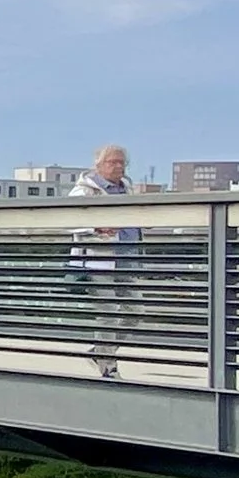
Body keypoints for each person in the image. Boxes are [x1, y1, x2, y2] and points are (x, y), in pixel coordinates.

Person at [69, 145, 140, 379]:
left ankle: (99, 351)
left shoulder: (127, 188)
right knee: (108, 313)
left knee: (135, 312)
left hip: (128, 258)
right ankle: (108, 367)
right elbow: (66, 217)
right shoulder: (85, 190)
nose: (118, 166)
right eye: (112, 162)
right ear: (98, 165)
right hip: (100, 261)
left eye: (122, 162)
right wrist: (95, 227)